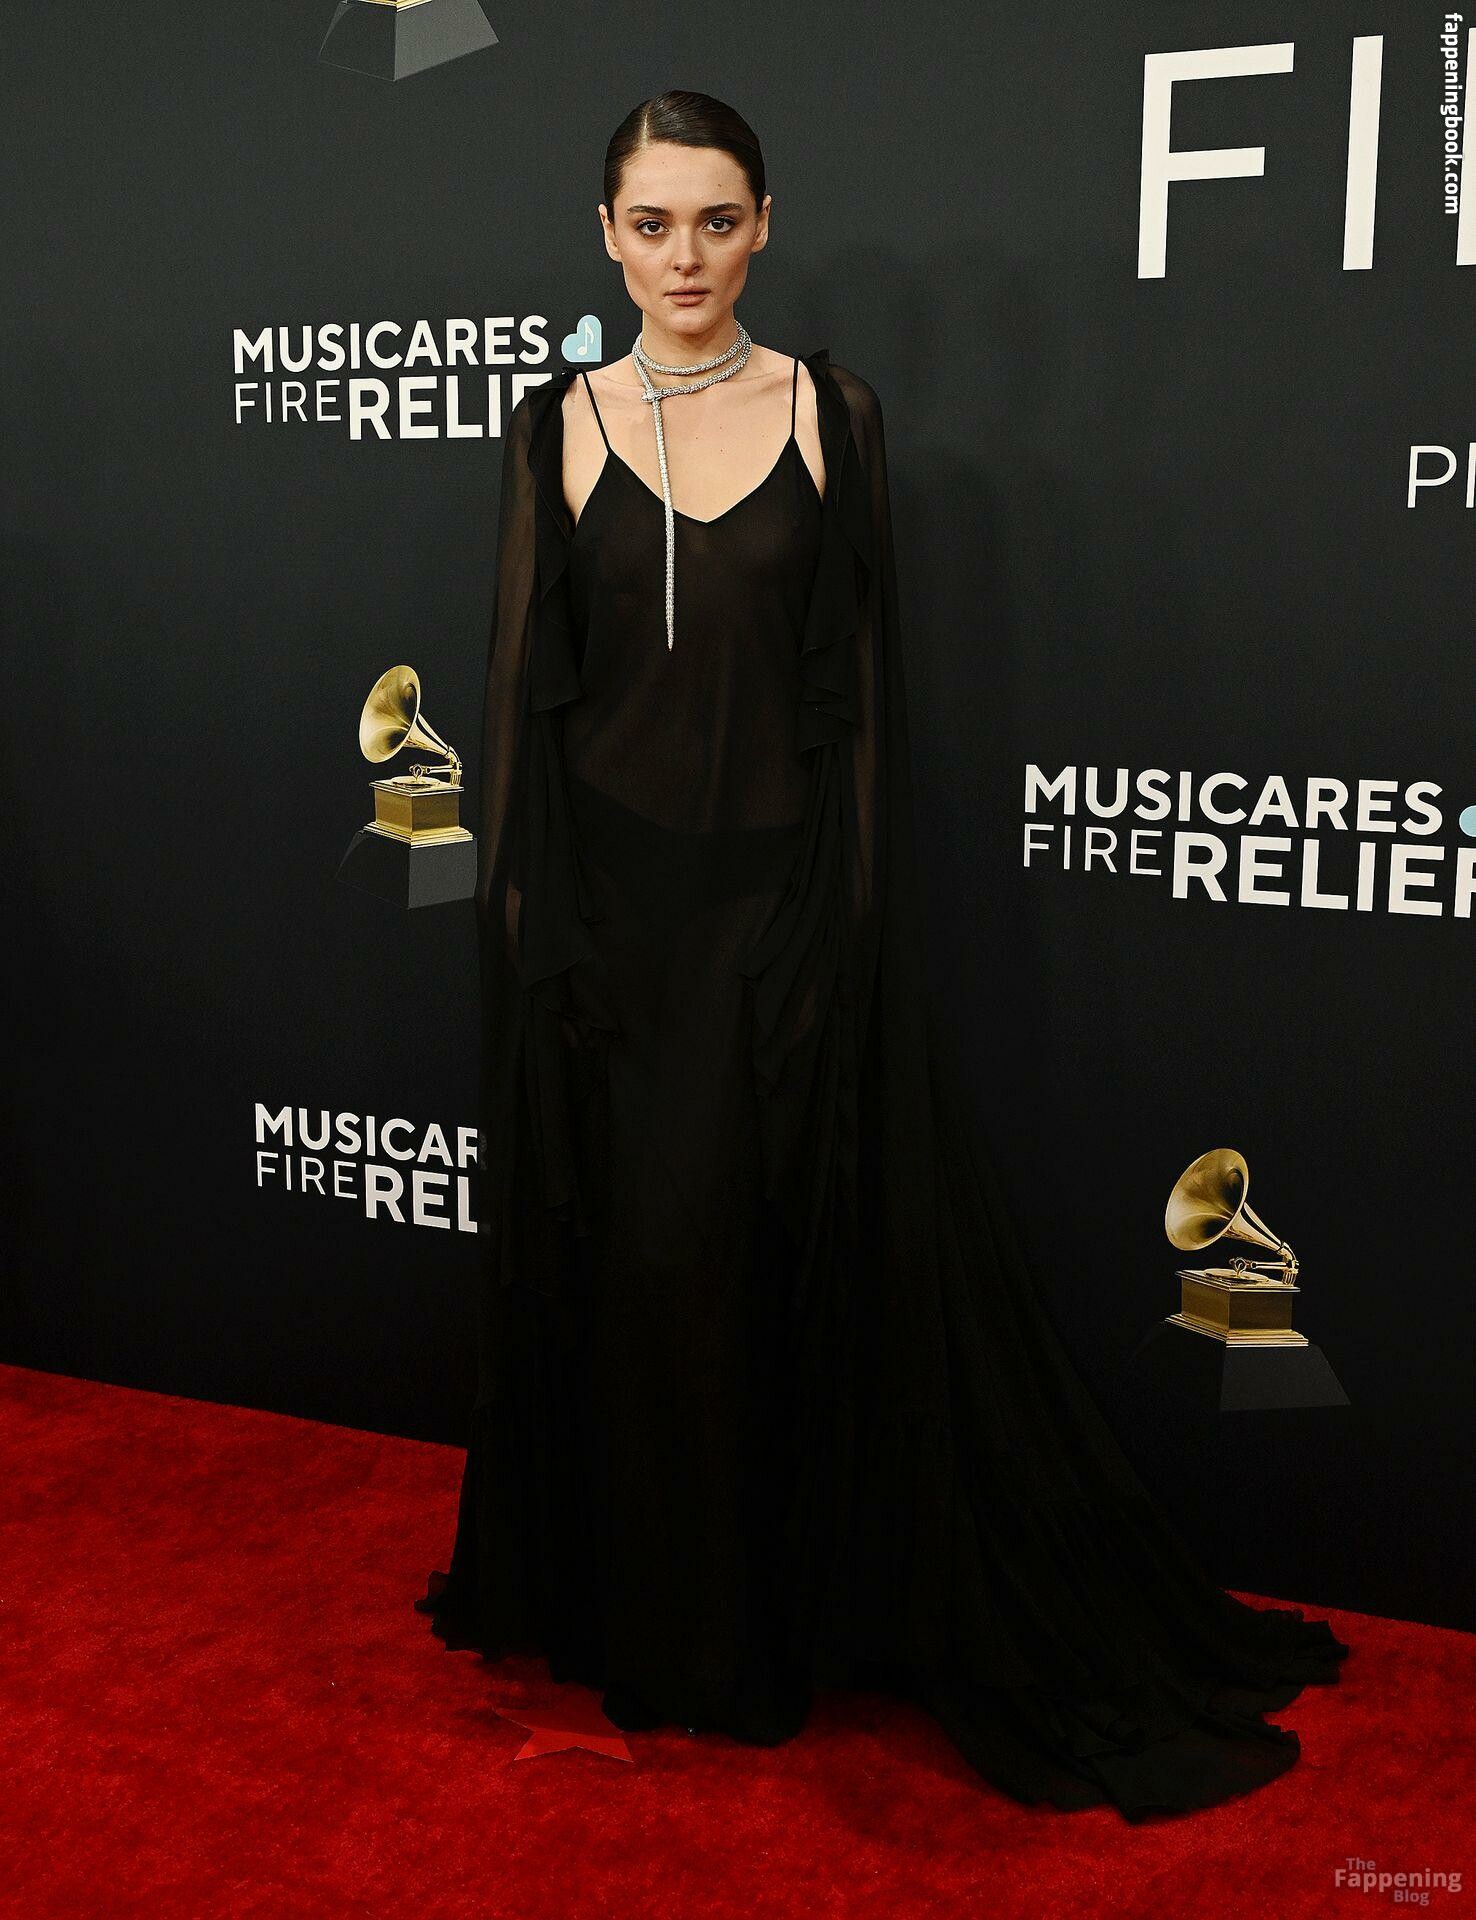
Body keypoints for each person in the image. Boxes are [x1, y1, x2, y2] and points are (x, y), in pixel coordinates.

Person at [417, 88, 1349, 1822]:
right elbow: (518, 707)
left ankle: (777, 1618)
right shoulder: (553, 425)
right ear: (605, 236)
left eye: (716, 220)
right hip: (611, 939)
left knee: (764, 1263)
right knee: (641, 1271)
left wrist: (835, 937)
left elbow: (860, 710)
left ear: (765, 225)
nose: (683, 258)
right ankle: (647, 1618)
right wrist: (533, 950)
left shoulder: (831, 417)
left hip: (778, 925)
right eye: (650, 224)